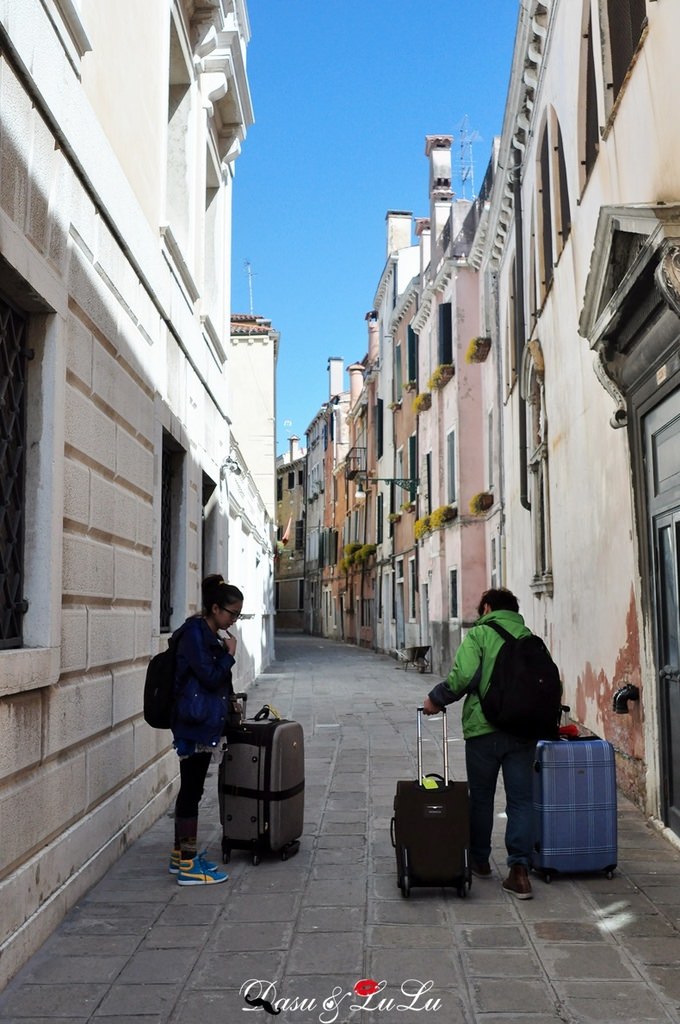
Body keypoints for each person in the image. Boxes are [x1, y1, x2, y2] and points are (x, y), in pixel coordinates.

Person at [423, 587, 537, 900]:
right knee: (521, 801)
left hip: (484, 731)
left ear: (486, 607)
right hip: (524, 732)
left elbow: (463, 677)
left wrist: (436, 698)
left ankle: (479, 860)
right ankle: (520, 871)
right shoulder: (529, 637)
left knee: (482, 797)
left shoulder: (480, 635)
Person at [169, 574, 244, 886]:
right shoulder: (196, 635)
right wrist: (228, 655)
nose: (234, 621)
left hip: (200, 721)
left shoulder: (206, 633)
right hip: (193, 723)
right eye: (232, 614)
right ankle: (187, 865)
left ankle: (181, 856)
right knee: (191, 791)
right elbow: (210, 678)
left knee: (193, 790)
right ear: (215, 608)